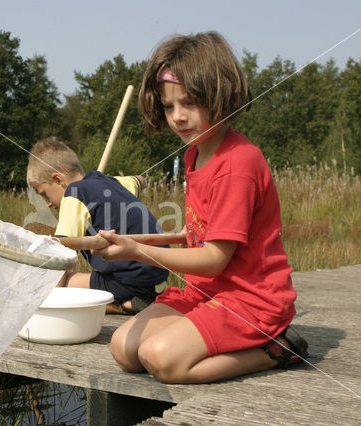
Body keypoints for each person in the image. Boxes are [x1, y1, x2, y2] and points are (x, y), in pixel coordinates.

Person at [92, 31, 308, 384]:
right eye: (168, 105)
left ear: (220, 94)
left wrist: (139, 251)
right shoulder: (195, 153)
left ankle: (273, 350)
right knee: (123, 348)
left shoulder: (238, 163)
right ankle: (197, 337)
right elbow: (202, 233)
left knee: (161, 359)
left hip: (249, 300)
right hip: (204, 292)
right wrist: (153, 239)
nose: (177, 117)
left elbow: (214, 258)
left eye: (189, 102)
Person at [26, 137, 169, 314]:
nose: (48, 203)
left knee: (63, 284)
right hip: (158, 275)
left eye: (45, 194)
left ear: (58, 180)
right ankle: (133, 302)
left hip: (129, 280)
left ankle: (121, 306)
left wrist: (47, 300)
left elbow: (60, 255)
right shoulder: (114, 182)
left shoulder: (74, 193)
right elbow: (140, 180)